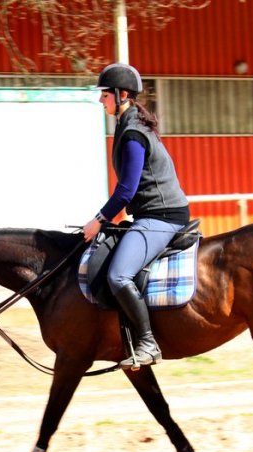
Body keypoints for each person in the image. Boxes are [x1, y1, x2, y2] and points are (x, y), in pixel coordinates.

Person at [83, 63, 190, 368]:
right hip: (150, 213)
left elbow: (126, 190)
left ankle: (147, 343)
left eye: (104, 95)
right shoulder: (126, 124)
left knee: (118, 275)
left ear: (122, 95)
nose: (101, 100)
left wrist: (98, 220)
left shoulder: (132, 132)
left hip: (162, 216)